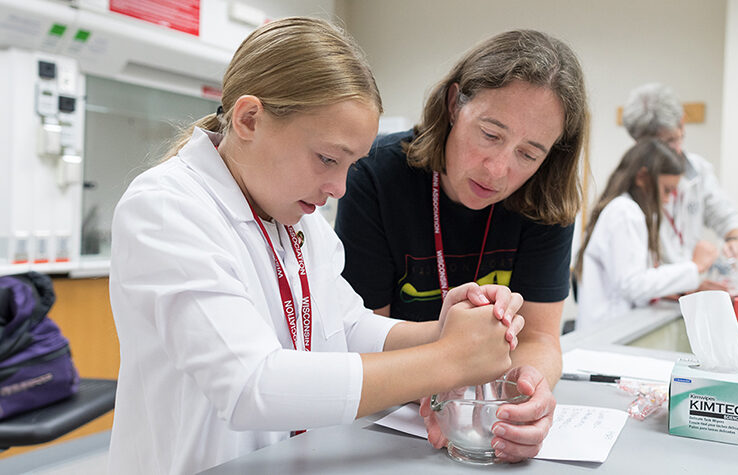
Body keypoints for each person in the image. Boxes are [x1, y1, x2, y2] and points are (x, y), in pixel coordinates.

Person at [107, 18, 526, 474]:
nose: (340, 188)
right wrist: (447, 360)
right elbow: (252, 385)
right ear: (250, 119)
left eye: (350, 164)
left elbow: (344, 329)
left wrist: (445, 329)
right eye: (328, 158)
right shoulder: (167, 209)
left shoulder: (300, 220)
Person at [335, 29, 588, 461]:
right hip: (386, 422)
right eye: (490, 134)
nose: (498, 169)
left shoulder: (545, 200)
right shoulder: (376, 176)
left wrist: (527, 394)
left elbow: (542, 338)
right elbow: (361, 337)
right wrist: (444, 372)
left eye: (529, 154)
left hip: (482, 417)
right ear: (455, 104)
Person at [573, 139, 718, 331]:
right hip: (607, 329)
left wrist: (680, 288)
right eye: (666, 191)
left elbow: (633, 278)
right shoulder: (624, 211)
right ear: (642, 177)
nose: (666, 200)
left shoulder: (629, 211)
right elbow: (631, 284)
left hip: (614, 327)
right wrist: (694, 266)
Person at [622, 83, 738, 277]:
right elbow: (633, 279)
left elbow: (727, 216)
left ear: (682, 123)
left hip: (687, 288)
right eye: (662, 145)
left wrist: (735, 240)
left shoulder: (699, 171)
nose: (673, 151)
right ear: (639, 143)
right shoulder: (629, 189)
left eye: (674, 140)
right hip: (654, 297)